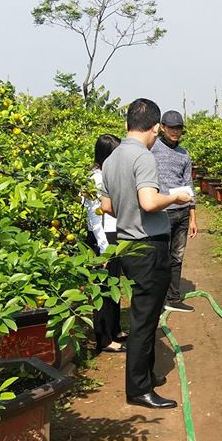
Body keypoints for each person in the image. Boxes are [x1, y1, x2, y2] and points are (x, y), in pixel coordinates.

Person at [100, 99, 191, 410]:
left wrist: (129, 208)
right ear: (155, 128)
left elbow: (107, 207)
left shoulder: (111, 160)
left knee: (144, 314)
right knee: (145, 320)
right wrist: (176, 195)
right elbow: (149, 202)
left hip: (126, 243)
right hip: (149, 244)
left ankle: (146, 376)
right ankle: (138, 389)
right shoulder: (145, 157)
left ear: (127, 125)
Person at [151, 109, 197, 313]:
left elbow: (189, 184)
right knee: (159, 257)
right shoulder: (152, 149)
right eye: (171, 128)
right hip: (162, 212)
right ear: (162, 127)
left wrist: (193, 216)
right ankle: (155, 299)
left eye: (178, 128)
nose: (175, 132)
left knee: (177, 256)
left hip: (182, 213)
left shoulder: (184, 154)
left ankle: (174, 297)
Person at [83, 134, 125, 353]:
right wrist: (103, 248)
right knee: (103, 288)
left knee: (114, 285)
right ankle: (104, 339)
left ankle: (115, 330)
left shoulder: (107, 176)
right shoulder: (95, 179)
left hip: (113, 234)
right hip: (103, 238)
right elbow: (94, 216)